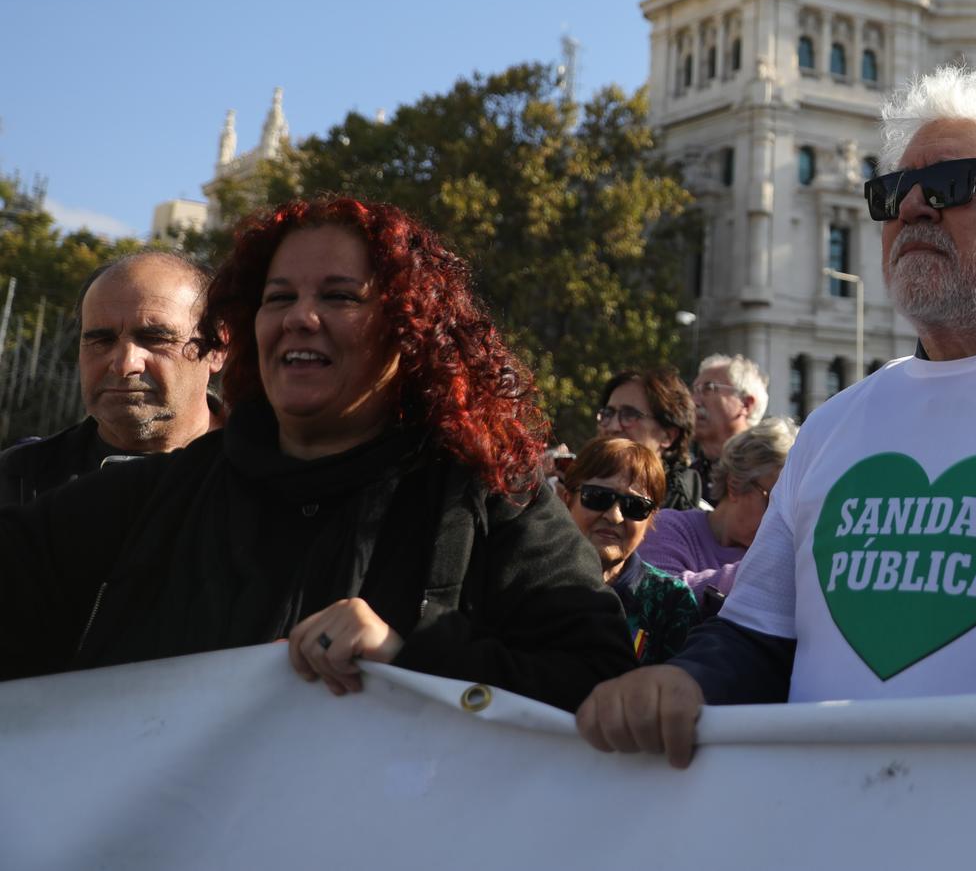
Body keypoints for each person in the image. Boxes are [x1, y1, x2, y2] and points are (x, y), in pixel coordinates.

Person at [576, 67, 976, 764]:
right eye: (892, 191)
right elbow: (757, 638)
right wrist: (681, 682)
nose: (914, 208)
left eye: (953, 184)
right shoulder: (834, 426)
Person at [0, 197, 633, 711]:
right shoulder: (157, 494)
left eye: (339, 296)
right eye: (279, 298)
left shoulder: (487, 497)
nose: (301, 317)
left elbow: (597, 678)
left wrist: (410, 655)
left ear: (406, 331)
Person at [0, 251, 223, 507]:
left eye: (155, 339)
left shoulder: (265, 480)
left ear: (217, 348)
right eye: (101, 340)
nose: (125, 364)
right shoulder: (15, 481)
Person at [558, 436, 700, 666]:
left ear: (651, 520)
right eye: (597, 497)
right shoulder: (525, 576)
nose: (614, 516)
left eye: (635, 506)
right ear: (567, 501)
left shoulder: (672, 601)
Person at [639, 417, 796, 598]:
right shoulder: (668, 526)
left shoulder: (772, 554)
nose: (781, 519)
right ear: (735, 485)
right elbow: (660, 597)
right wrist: (761, 571)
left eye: (791, 510)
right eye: (774, 503)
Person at [595, 370, 700, 512]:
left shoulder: (688, 515)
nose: (613, 426)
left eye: (630, 415)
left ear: (668, 436)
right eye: (608, 413)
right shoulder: (575, 490)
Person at [690, 353, 767, 469]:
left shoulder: (771, 475)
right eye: (695, 391)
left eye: (709, 388)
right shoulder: (683, 478)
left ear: (745, 404)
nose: (694, 401)